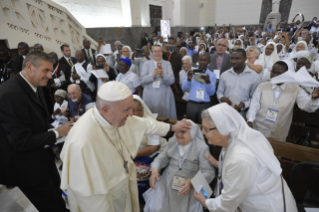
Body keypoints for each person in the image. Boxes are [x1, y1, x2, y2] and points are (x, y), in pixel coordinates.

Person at [60, 81, 191, 212]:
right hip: (105, 198)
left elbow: (144, 123)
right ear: (105, 109)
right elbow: (88, 197)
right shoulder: (82, 142)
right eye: (126, 110)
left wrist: (172, 127)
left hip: (122, 186)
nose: (131, 114)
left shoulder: (111, 115)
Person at [0, 51, 72, 212]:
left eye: (51, 71)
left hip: (43, 157)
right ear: (30, 66)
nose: (50, 75)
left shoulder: (35, 84)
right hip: (26, 168)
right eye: (45, 70)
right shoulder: (10, 94)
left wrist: (61, 129)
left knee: (58, 197)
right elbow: (21, 141)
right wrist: (57, 133)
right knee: (52, 207)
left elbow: (40, 122)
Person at [194, 103, 298, 211]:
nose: (202, 132)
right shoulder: (236, 139)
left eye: (206, 129)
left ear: (223, 128)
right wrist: (218, 164)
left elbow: (227, 203)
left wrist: (205, 201)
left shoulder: (241, 158)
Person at [144, 119, 215, 212]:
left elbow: (209, 172)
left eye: (183, 132)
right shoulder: (173, 142)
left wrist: (193, 182)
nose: (179, 134)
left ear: (192, 134)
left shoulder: (201, 147)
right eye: (178, 131)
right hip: (166, 184)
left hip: (188, 187)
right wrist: (155, 170)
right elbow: (160, 159)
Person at [247, 61, 319, 142]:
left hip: (279, 133)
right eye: (273, 72)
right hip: (259, 129)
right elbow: (254, 106)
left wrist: (314, 99)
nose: (274, 75)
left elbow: (308, 107)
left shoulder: (295, 89)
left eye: (279, 73)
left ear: (286, 74)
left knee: (274, 154)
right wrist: (250, 120)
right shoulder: (262, 86)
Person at [217, 49, 260, 116]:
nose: (234, 61)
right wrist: (221, 98)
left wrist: (244, 104)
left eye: (238, 59)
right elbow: (219, 92)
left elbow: (255, 98)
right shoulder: (224, 75)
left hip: (243, 113)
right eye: (232, 58)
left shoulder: (254, 76)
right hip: (225, 111)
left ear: (245, 59)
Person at [141, 45, 177, 119]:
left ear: (162, 52)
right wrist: (153, 75)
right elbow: (142, 81)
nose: (157, 53)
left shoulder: (167, 64)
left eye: (159, 51)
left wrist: (163, 74)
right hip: (149, 95)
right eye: (155, 51)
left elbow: (171, 81)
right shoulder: (146, 64)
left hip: (164, 95)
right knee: (150, 116)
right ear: (152, 53)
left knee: (164, 117)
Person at [182, 53, 216, 123]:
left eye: (205, 60)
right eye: (201, 60)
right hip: (192, 104)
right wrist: (188, 79)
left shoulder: (212, 75)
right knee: (190, 127)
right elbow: (183, 88)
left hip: (204, 105)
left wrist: (208, 82)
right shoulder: (190, 72)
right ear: (198, 60)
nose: (203, 62)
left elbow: (211, 93)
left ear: (209, 61)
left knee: (203, 127)